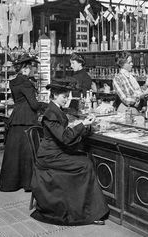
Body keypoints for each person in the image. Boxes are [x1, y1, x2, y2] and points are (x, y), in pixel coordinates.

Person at [30, 81, 109, 226]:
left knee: (85, 160)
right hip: (50, 157)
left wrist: (85, 125)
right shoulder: (50, 113)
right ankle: (86, 212)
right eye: (63, 96)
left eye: (67, 96)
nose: (66, 99)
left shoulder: (55, 109)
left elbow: (64, 135)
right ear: (54, 95)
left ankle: (86, 208)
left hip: (56, 152)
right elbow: (65, 137)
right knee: (85, 164)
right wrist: (82, 124)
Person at [0, 53, 48, 192]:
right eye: (31, 67)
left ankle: (11, 183)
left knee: (14, 152)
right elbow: (33, 104)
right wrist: (46, 104)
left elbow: (18, 101)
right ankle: (28, 183)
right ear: (25, 68)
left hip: (16, 117)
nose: (32, 70)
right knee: (27, 153)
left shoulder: (13, 82)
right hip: (27, 119)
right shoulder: (26, 82)